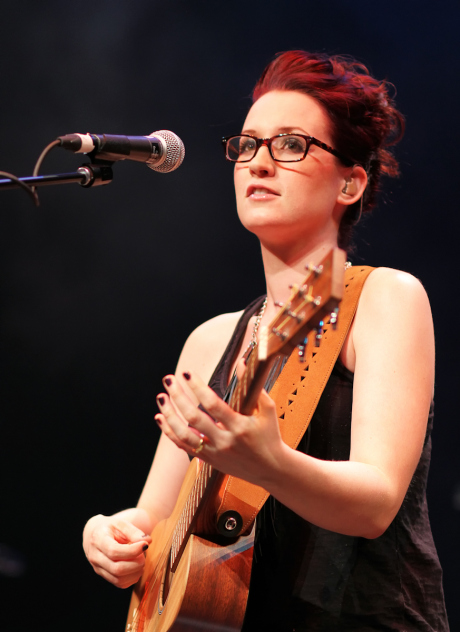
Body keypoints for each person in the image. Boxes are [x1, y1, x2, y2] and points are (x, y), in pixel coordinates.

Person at [83, 51, 449, 630]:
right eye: (248, 145)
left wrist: (271, 462)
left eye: (291, 145)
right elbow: (154, 519)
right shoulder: (211, 341)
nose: (258, 162)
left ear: (350, 183)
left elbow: (376, 503)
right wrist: (108, 533)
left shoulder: (382, 299)